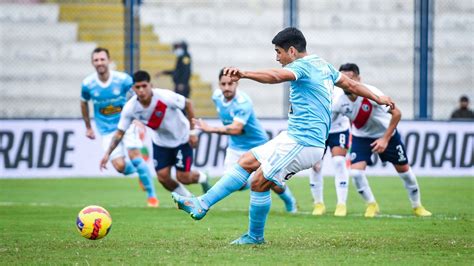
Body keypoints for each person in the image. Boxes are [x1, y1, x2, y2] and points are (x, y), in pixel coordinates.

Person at [172, 27, 394, 245]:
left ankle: (255, 237)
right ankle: (201, 203)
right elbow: (351, 84)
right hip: (293, 136)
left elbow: (276, 75)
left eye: (278, 52)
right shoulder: (322, 64)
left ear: (292, 51)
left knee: (259, 182)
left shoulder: (302, 67)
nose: (277, 57)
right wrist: (378, 97)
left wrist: (245, 74)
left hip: (304, 142)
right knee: (246, 161)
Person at [333, 63, 432, 218]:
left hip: (387, 135)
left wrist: (385, 139)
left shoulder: (372, 93)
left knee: (405, 172)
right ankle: (371, 204)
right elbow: (331, 123)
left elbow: (397, 114)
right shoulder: (338, 101)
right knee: (356, 174)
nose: (346, 81)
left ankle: (417, 206)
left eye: (350, 77)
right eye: (342, 77)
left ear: (359, 78)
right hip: (361, 137)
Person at [192, 68, 298, 213]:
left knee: (270, 181)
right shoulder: (217, 97)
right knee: (236, 183)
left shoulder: (243, 102)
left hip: (257, 144)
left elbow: (236, 128)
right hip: (235, 147)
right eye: (223, 84)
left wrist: (211, 129)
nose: (227, 87)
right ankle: (248, 179)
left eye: (230, 84)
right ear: (219, 84)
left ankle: (290, 201)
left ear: (237, 84)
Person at [99, 70, 211, 198]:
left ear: (150, 85)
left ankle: (203, 178)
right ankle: (189, 199)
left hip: (182, 139)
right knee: (163, 178)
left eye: (144, 86)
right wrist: (107, 154)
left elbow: (188, 104)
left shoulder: (164, 97)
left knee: (183, 177)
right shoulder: (131, 108)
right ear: (133, 89)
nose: (141, 90)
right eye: (137, 87)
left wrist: (192, 132)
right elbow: (119, 133)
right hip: (161, 142)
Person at [81, 47, 158, 207]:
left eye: (102, 59)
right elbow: (83, 102)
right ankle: (141, 173)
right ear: (92, 63)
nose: (100, 63)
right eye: (96, 60)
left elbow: (141, 93)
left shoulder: (123, 80)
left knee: (135, 156)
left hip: (127, 124)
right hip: (107, 130)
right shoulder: (88, 84)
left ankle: (152, 197)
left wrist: (138, 117)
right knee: (120, 167)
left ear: (109, 61)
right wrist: (88, 127)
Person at [309, 86, 351, 217]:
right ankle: (318, 203)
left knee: (339, 161)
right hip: (318, 131)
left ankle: (341, 204)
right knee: (315, 166)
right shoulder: (310, 90)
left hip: (338, 129)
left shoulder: (339, 93)